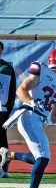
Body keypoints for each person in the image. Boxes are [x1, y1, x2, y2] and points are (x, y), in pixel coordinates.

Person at [0, 48, 56, 188]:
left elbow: (55, 116)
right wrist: (32, 102)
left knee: (42, 159)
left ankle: (8, 155)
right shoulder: (43, 71)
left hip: (39, 120)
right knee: (43, 157)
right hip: (28, 115)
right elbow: (21, 90)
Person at [0, 41, 16, 178]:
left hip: (2, 109)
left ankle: (3, 168)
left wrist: (9, 107)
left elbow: (12, 89)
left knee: (1, 137)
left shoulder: (6, 68)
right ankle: (4, 158)